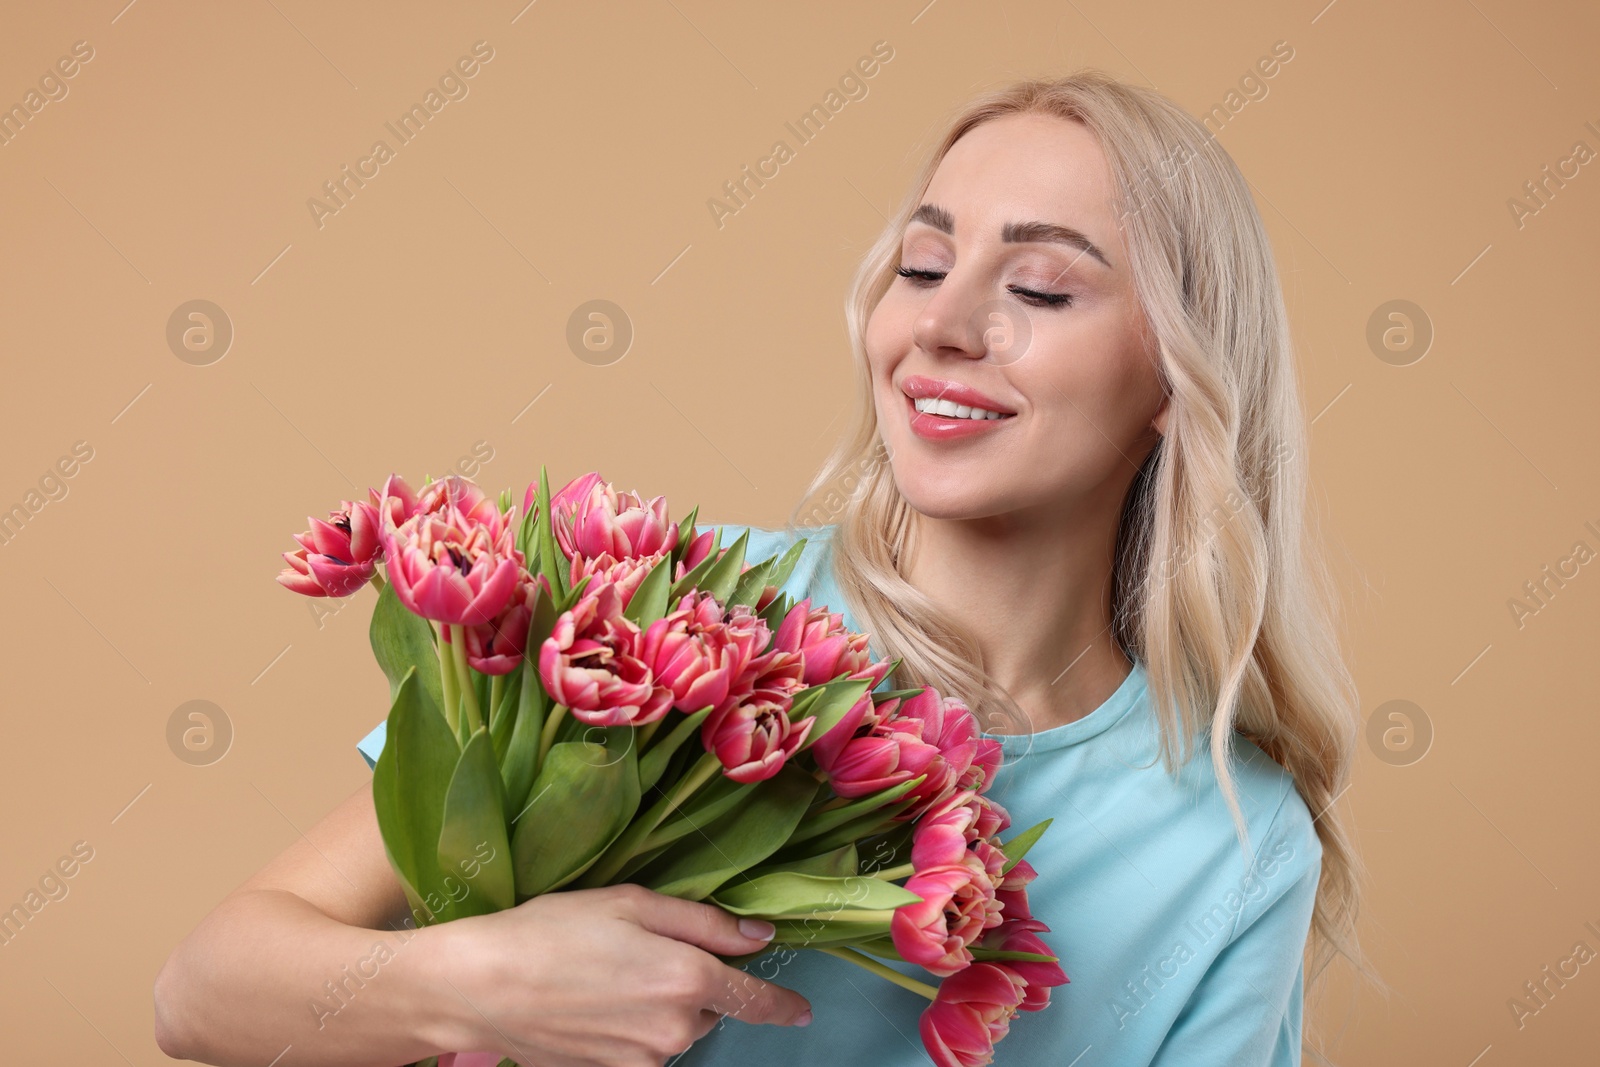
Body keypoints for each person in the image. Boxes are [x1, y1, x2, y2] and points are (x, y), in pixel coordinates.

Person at [154, 70, 1366, 1066]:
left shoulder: (1234, 844)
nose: (943, 324)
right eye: (924, 265)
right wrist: (479, 982)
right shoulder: (669, 613)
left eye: (1043, 285)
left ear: (1176, 377)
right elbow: (206, 991)